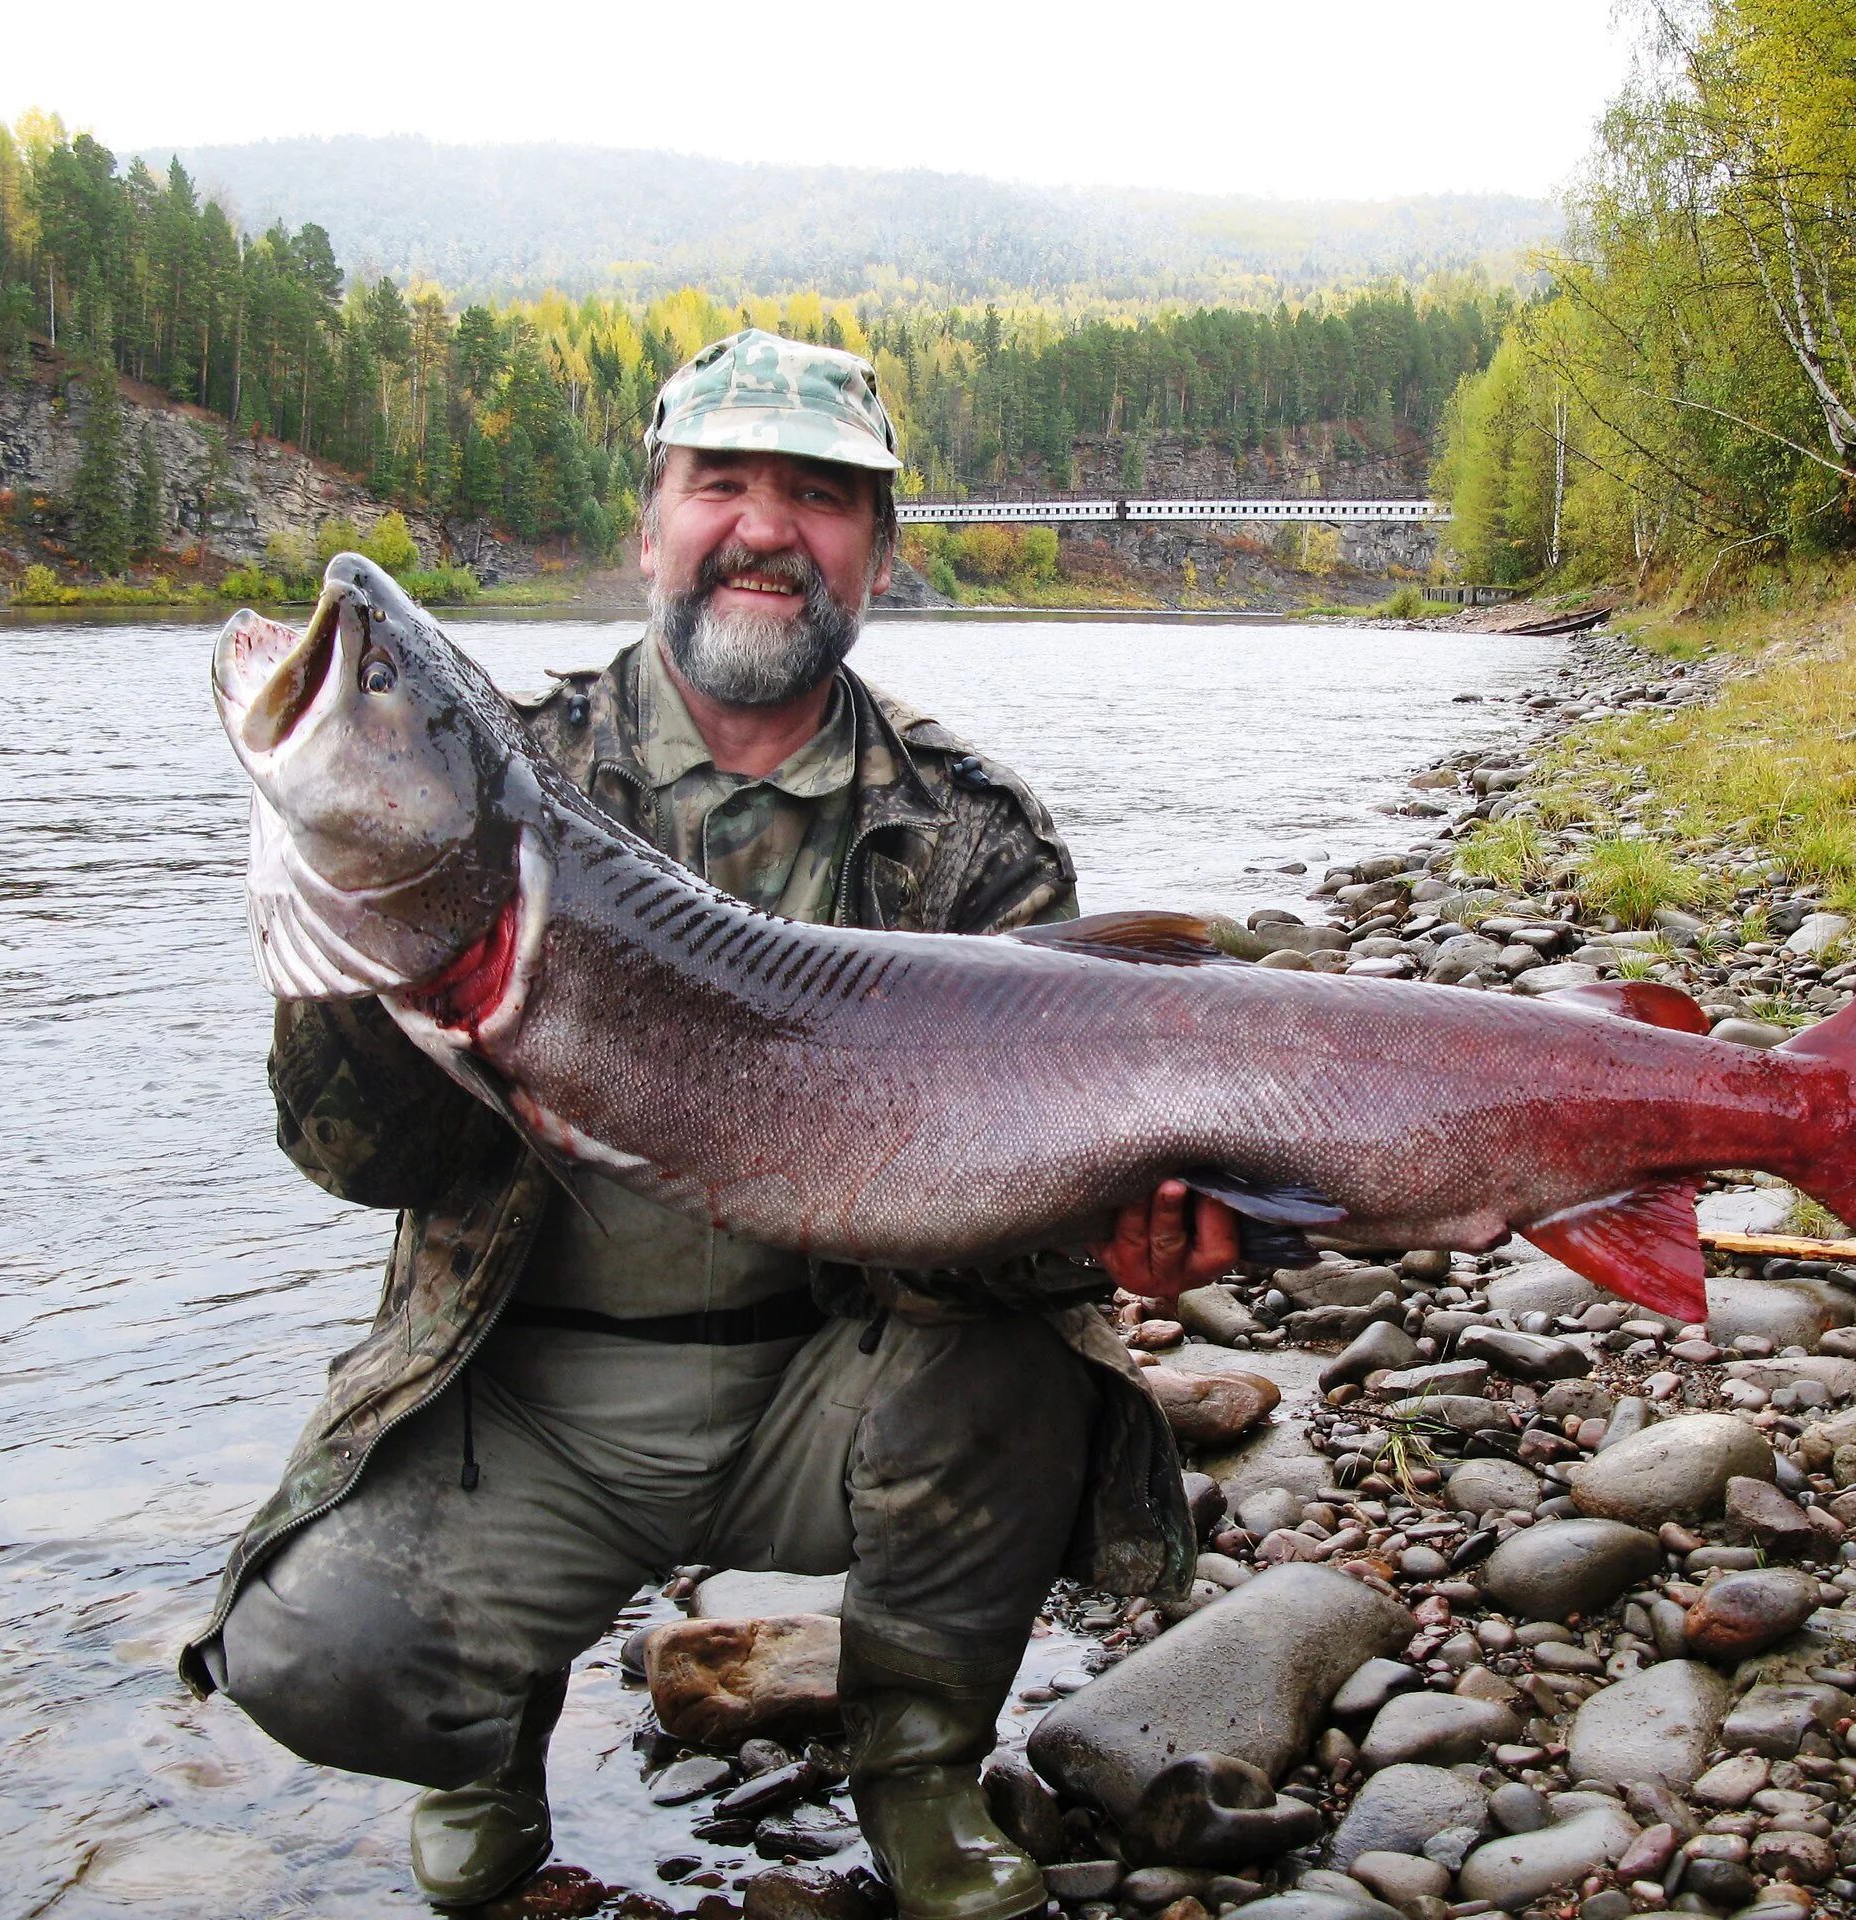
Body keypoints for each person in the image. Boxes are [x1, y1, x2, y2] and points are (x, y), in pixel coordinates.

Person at [179, 329, 1238, 1912]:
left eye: (820, 497)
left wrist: (1114, 1240)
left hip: (847, 1381)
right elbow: (361, 1163)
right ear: (651, 523)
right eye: (721, 484)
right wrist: (370, 948)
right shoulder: (508, 768)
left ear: (877, 549)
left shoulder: (972, 836)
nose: (766, 527)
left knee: (1034, 1379)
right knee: (304, 1651)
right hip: (534, 1394)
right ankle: (488, 1746)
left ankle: (922, 1768)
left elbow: (1031, 1245)